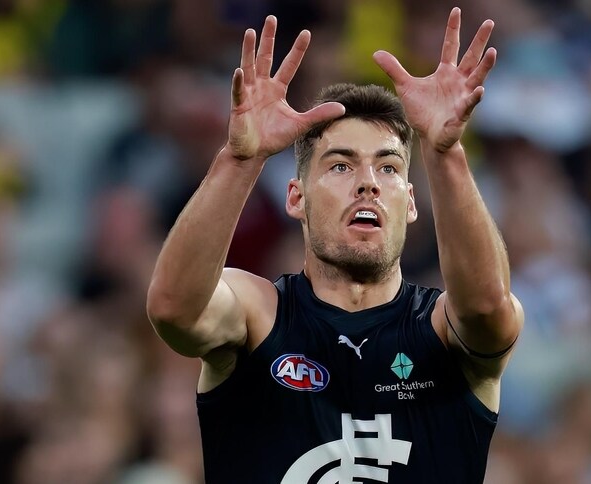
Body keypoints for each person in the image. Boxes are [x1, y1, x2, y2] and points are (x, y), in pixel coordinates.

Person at [146, 7, 524, 483]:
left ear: (410, 202)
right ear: (296, 197)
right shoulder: (258, 316)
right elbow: (173, 309)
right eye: (341, 166)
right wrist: (240, 160)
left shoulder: (441, 331)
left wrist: (444, 154)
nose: (368, 182)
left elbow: (490, 309)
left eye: (387, 167)